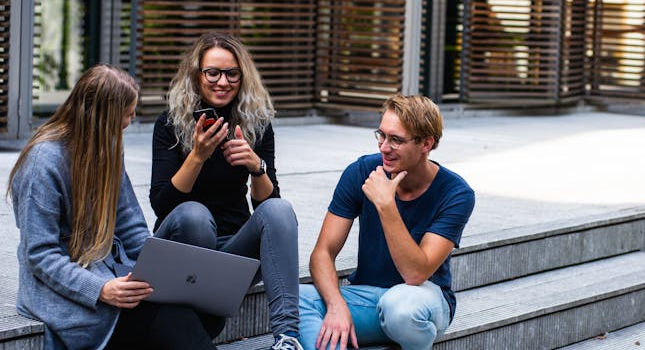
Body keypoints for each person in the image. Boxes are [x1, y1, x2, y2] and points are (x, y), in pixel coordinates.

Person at [8, 64, 222, 350]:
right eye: (128, 113)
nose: (130, 121)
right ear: (102, 116)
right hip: (69, 290)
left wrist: (154, 273)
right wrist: (101, 289)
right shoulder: (43, 162)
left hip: (113, 273)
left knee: (201, 313)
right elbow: (41, 255)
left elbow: (131, 226)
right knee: (174, 322)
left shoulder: (107, 147)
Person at [150, 32, 302, 350]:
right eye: (213, 73)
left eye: (232, 73)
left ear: (242, 76)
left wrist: (255, 166)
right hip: (182, 248)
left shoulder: (255, 124)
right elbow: (162, 205)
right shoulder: (170, 123)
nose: (223, 82)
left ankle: (287, 337)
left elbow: (268, 207)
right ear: (197, 76)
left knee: (281, 209)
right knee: (195, 214)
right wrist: (197, 156)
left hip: (232, 252)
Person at [298, 94, 475, 350]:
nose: (383, 147)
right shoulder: (361, 171)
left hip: (421, 301)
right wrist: (336, 307)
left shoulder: (456, 193)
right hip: (368, 297)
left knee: (400, 306)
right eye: (381, 135)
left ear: (426, 143)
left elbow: (416, 273)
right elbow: (322, 253)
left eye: (396, 140)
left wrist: (386, 205)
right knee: (295, 299)